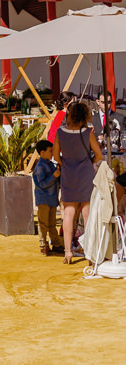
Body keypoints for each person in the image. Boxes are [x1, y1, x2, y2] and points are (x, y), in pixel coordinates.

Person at [53, 100, 104, 263]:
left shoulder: (60, 133)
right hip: (85, 174)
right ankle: (89, 252)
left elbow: (56, 156)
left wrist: (65, 164)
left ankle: (68, 252)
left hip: (68, 174)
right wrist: (88, 162)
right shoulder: (88, 133)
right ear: (85, 115)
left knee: (68, 213)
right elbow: (99, 155)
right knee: (87, 213)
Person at [32, 139, 62, 256]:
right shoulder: (40, 167)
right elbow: (42, 184)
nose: (52, 153)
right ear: (42, 152)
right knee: (44, 223)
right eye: (50, 151)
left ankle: (55, 243)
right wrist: (54, 176)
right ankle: (43, 245)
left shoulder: (49, 164)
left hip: (51, 199)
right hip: (44, 199)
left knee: (52, 224)